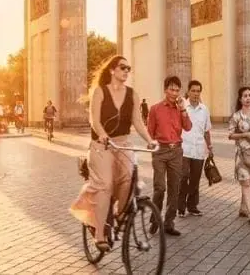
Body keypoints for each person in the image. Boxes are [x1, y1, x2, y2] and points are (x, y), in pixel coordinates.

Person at [70, 56, 156, 252]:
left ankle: (118, 215)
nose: (126, 71)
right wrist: (102, 135)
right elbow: (94, 119)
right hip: (102, 145)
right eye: (122, 67)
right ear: (111, 70)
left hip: (123, 144)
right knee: (105, 185)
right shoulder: (100, 92)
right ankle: (100, 235)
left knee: (128, 178)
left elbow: (138, 121)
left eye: (129, 68)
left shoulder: (132, 94)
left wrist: (150, 140)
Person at [147, 76, 191, 236]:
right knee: (160, 188)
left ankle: (168, 223)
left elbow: (188, 127)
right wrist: (150, 143)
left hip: (176, 152)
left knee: (174, 188)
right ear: (165, 90)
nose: (174, 93)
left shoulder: (180, 109)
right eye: (171, 89)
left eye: (177, 90)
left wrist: (184, 110)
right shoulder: (155, 109)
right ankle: (155, 218)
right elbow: (149, 131)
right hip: (160, 151)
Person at [178, 80, 212, 217]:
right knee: (183, 176)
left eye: (198, 91)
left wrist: (210, 147)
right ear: (188, 91)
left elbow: (206, 130)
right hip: (184, 149)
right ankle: (180, 207)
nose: (196, 93)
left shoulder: (204, 109)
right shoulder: (182, 107)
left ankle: (192, 206)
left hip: (199, 149)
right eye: (193, 90)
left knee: (195, 179)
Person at [228, 86, 250, 221]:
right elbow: (230, 135)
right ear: (240, 99)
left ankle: (243, 208)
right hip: (242, 154)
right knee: (246, 182)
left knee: (249, 182)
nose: (248, 98)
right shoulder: (236, 116)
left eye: (249, 95)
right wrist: (245, 134)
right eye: (245, 96)